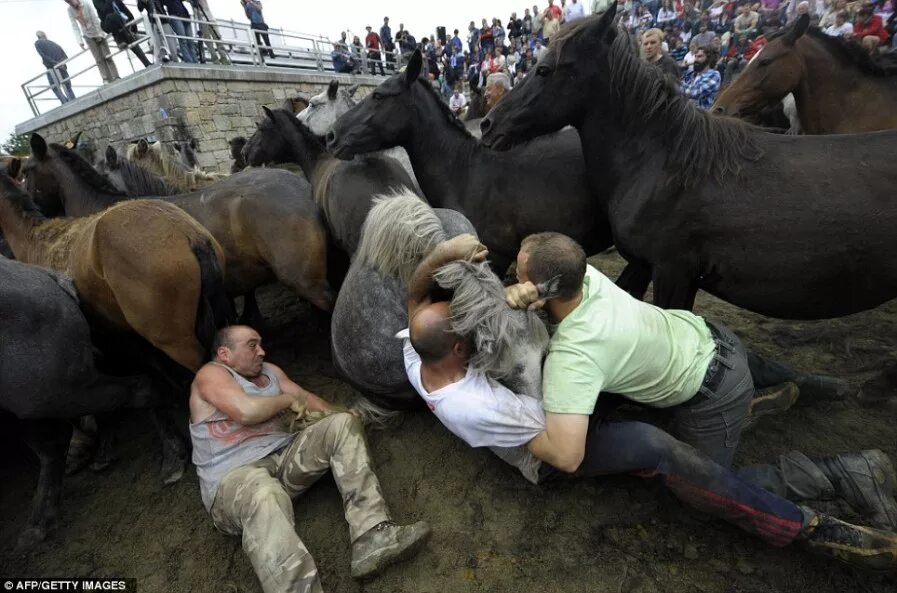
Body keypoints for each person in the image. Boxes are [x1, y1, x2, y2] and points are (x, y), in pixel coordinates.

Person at [400, 233, 897, 572]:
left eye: (523, 277)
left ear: (541, 290)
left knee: (698, 488)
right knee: (658, 409)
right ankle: (819, 387)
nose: (516, 282)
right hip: (708, 338)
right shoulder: (586, 277)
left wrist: (445, 253)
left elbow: (566, 454)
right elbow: (562, 452)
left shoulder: (415, 346)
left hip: (704, 392)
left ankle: (833, 487)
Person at [190, 325, 431, 593]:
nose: (262, 351)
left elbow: (303, 398)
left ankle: (373, 536)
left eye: (260, 344)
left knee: (340, 424)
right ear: (224, 353)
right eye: (251, 345)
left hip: (282, 462)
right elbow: (246, 411)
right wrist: (283, 401)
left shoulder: (270, 372)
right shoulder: (211, 374)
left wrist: (342, 416)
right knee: (264, 493)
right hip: (234, 481)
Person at [65, 0, 120, 82]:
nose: (71, 4)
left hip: (97, 31)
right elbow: (74, 26)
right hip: (87, 35)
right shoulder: (70, 10)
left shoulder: (86, 4)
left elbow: (95, 19)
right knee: (98, 59)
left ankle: (116, 77)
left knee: (107, 56)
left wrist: (99, 34)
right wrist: (79, 41)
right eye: (68, 2)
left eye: (71, 1)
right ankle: (106, 79)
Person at [93, 0, 152, 67]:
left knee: (128, 38)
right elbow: (105, 10)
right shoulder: (96, 1)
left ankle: (147, 63)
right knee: (111, 16)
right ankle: (119, 40)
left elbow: (126, 11)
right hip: (108, 22)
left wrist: (135, 29)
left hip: (120, 23)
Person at [34, 31, 76, 104]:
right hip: (62, 68)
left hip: (52, 68)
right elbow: (65, 57)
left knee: (55, 87)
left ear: (38, 36)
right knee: (68, 87)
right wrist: (61, 64)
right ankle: (73, 101)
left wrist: (54, 63)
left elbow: (43, 56)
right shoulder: (55, 44)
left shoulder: (38, 43)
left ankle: (65, 102)